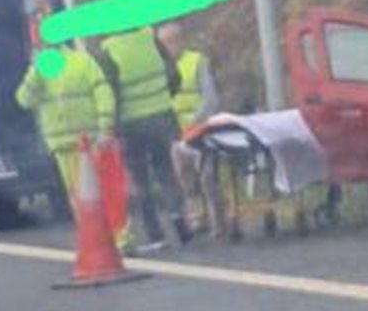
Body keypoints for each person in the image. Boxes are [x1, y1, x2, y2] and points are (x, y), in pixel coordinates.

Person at [15, 39, 118, 243]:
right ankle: (111, 238)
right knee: (100, 190)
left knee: (80, 195)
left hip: (68, 143)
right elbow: (103, 93)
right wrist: (106, 126)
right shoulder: (82, 61)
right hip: (90, 138)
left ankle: (95, 239)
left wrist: (35, 72)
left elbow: (23, 100)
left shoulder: (44, 68)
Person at [95, 24, 187, 253]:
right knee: (165, 171)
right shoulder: (150, 39)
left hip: (131, 124)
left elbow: (110, 92)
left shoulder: (109, 50)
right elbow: (174, 75)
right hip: (161, 116)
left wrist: (111, 128)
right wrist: (164, 99)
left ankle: (155, 234)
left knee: (140, 179)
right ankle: (179, 220)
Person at [160, 22, 224, 240]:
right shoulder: (160, 68)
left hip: (200, 131)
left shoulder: (197, 61)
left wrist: (196, 120)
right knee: (185, 180)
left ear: (181, 40)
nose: (169, 47)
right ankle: (197, 219)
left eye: (172, 41)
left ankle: (218, 223)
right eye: (164, 43)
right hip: (176, 133)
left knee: (207, 178)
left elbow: (211, 98)